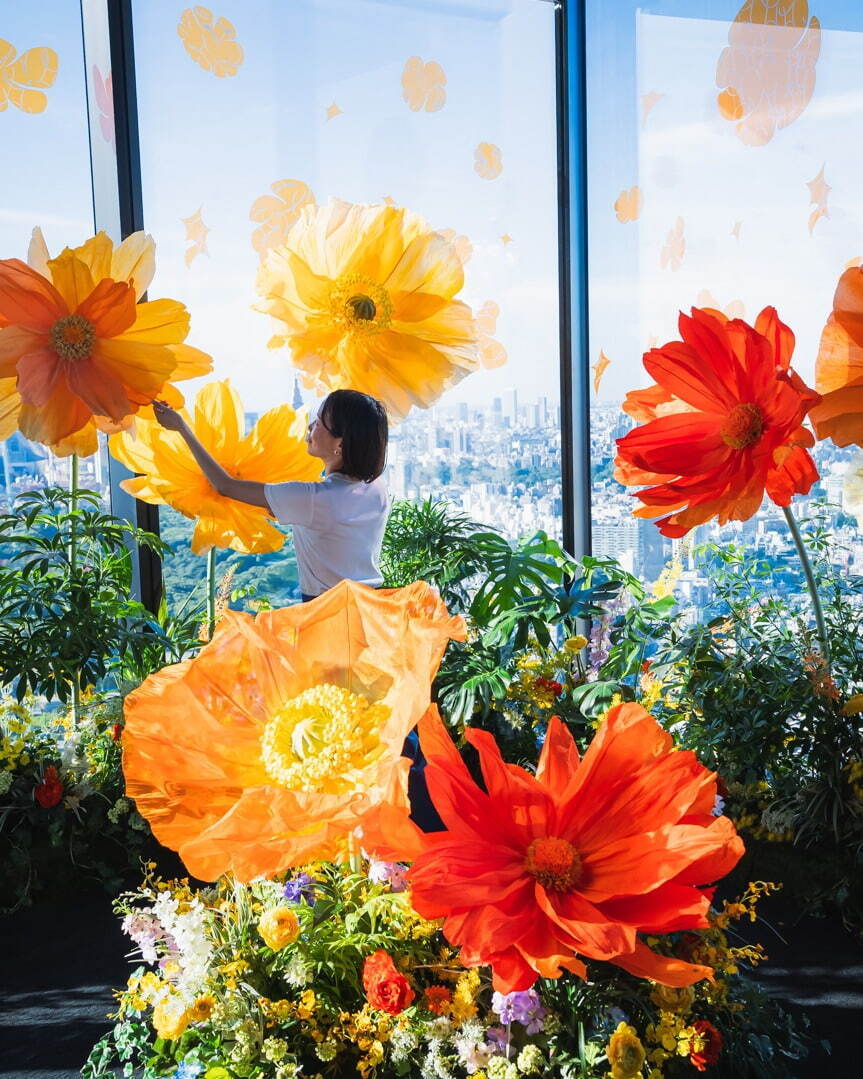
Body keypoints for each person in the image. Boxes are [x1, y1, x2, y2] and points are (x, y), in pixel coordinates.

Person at [151, 388, 389, 601]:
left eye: (318, 423)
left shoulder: (313, 498)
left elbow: (225, 485)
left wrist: (181, 427)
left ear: (340, 443)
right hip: (370, 606)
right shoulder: (377, 487)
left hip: (328, 613)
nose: (309, 427)